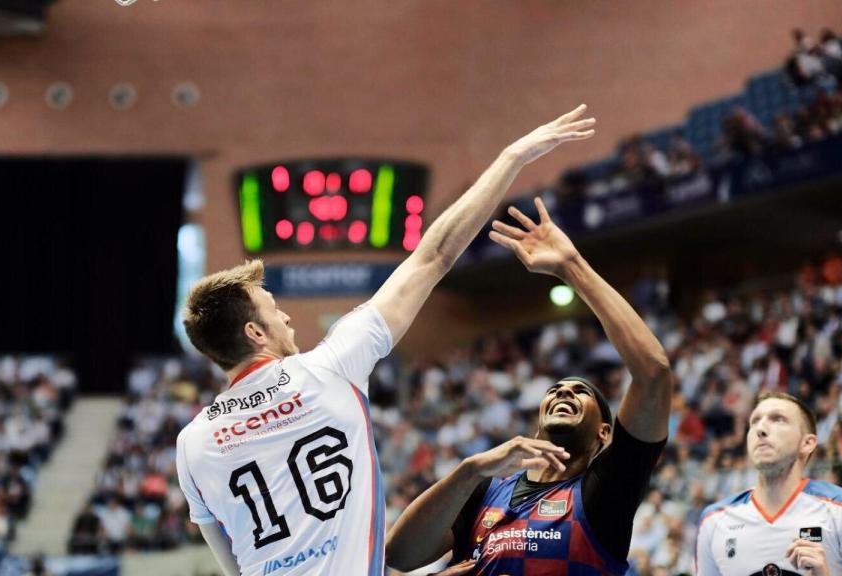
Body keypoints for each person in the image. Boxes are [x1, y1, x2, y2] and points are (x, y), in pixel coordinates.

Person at [175, 106, 596, 576]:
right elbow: (433, 255)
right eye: (275, 310)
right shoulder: (331, 366)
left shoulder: (191, 445)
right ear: (255, 333)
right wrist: (513, 157)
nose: (287, 316)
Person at [385, 197, 673, 575]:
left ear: (605, 432)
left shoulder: (605, 491)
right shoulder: (486, 491)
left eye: (581, 391)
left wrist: (572, 267)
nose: (564, 391)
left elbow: (653, 373)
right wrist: (470, 470)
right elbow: (400, 556)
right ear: (537, 424)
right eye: (555, 390)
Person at [696, 392, 842, 575]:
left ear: (807, 443)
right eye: (755, 421)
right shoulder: (713, 520)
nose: (760, 429)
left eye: (778, 419)